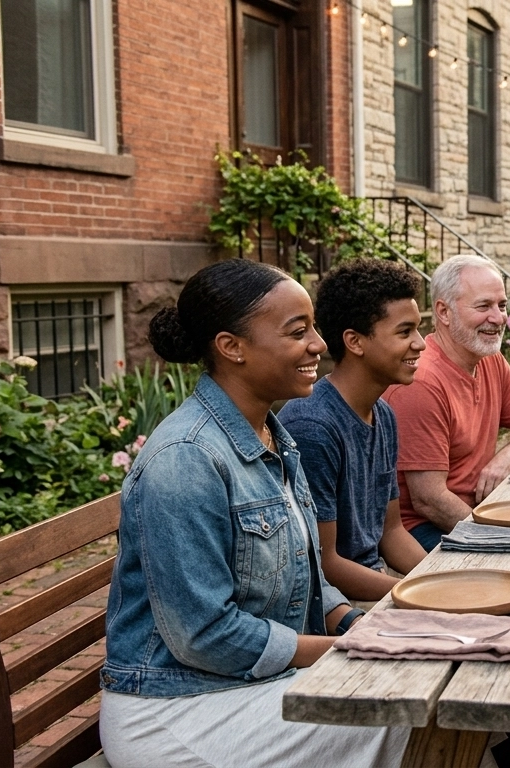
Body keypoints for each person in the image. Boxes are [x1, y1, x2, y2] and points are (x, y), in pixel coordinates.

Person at [99, 260, 407, 766]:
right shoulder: (187, 457)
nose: (319, 345)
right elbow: (203, 635)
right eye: (297, 332)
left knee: (418, 688)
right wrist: (344, 651)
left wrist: (357, 624)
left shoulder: (273, 437)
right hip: (177, 710)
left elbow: (307, 576)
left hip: (246, 682)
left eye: (313, 328)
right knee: (401, 711)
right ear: (232, 347)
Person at [279, 258, 429, 602]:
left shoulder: (384, 415)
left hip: (377, 586)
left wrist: (440, 580)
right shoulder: (312, 425)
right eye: (405, 332)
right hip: (336, 605)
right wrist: (420, 594)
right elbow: (325, 563)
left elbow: (391, 532)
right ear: (355, 341)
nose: (420, 343)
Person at [383, 255, 510, 551]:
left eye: (501, 306)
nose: (499, 318)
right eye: (484, 306)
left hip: (481, 507)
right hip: (426, 529)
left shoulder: (489, 359)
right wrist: (505, 539)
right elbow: (429, 501)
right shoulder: (422, 381)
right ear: (444, 312)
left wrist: (505, 458)